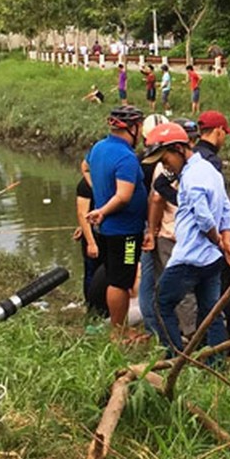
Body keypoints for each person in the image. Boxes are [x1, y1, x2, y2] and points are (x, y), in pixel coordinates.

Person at [144, 122, 230, 356]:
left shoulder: (192, 176)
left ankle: (175, 357)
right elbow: (227, 208)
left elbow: (203, 217)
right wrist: (225, 240)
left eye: (165, 159)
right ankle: (215, 362)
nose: (165, 165)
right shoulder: (210, 170)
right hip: (210, 258)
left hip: (187, 254)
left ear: (178, 148)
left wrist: (218, 238)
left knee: (160, 303)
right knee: (210, 311)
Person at [83, 104, 148, 341]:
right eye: (139, 126)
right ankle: (119, 331)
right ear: (132, 128)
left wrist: (100, 193)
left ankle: (117, 328)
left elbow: (85, 167)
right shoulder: (126, 157)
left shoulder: (98, 148)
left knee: (115, 276)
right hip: (126, 232)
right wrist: (103, 209)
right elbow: (124, 195)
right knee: (121, 281)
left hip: (109, 230)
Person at [140, 117, 197, 339]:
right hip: (157, 232)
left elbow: (154, 198)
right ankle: (181, 333)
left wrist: (150, 231)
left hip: (144, 231)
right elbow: (156, 198)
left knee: (150, 282)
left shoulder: (140, 160)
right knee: (173, 287)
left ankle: (156, 329)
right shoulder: (166, 167)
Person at [73, 173, 101, 312]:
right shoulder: (86, 184)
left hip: (106, 232)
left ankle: (104, 307)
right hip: (92, 234)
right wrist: (90, 242)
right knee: (91, 271)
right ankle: (91, 307)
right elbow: (82, 213)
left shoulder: (109, 180)